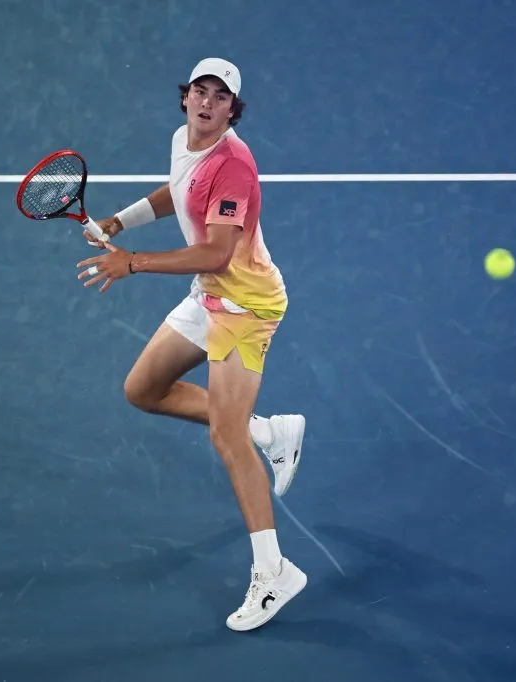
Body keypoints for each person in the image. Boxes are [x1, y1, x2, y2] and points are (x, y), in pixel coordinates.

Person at [74, 57, 307, 632]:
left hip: (244, 306)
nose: (206, 103)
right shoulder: (186, 139)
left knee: (225, 435)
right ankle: (269, 431)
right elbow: (176, 192)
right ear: (186, 98)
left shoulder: (233, 167)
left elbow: (215, 254)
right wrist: (121, 222)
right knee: (144, 389)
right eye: (199, 91)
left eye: (219, 97)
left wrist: (132, 263)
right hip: (210, 296)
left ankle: (275, 571)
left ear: (232, 109)